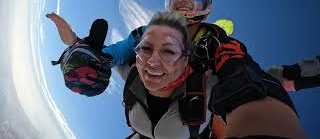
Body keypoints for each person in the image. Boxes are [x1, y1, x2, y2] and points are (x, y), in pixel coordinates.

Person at [46, 0, 320, 90]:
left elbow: (255, 76)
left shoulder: (214, 40)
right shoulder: (144, 35)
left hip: (197, 106)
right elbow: (114, 54)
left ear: (206, 7)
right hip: (146, 101)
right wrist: (80, 48)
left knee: (250, 82)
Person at [122, 11, 306, 138]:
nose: (152, 62)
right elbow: (104, 65)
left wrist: (238, 69)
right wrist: (95, 68)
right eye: (145, 48)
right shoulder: (132, 75)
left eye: (169, 51)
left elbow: (256, 85)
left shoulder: (209, 84)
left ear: (186, 59)